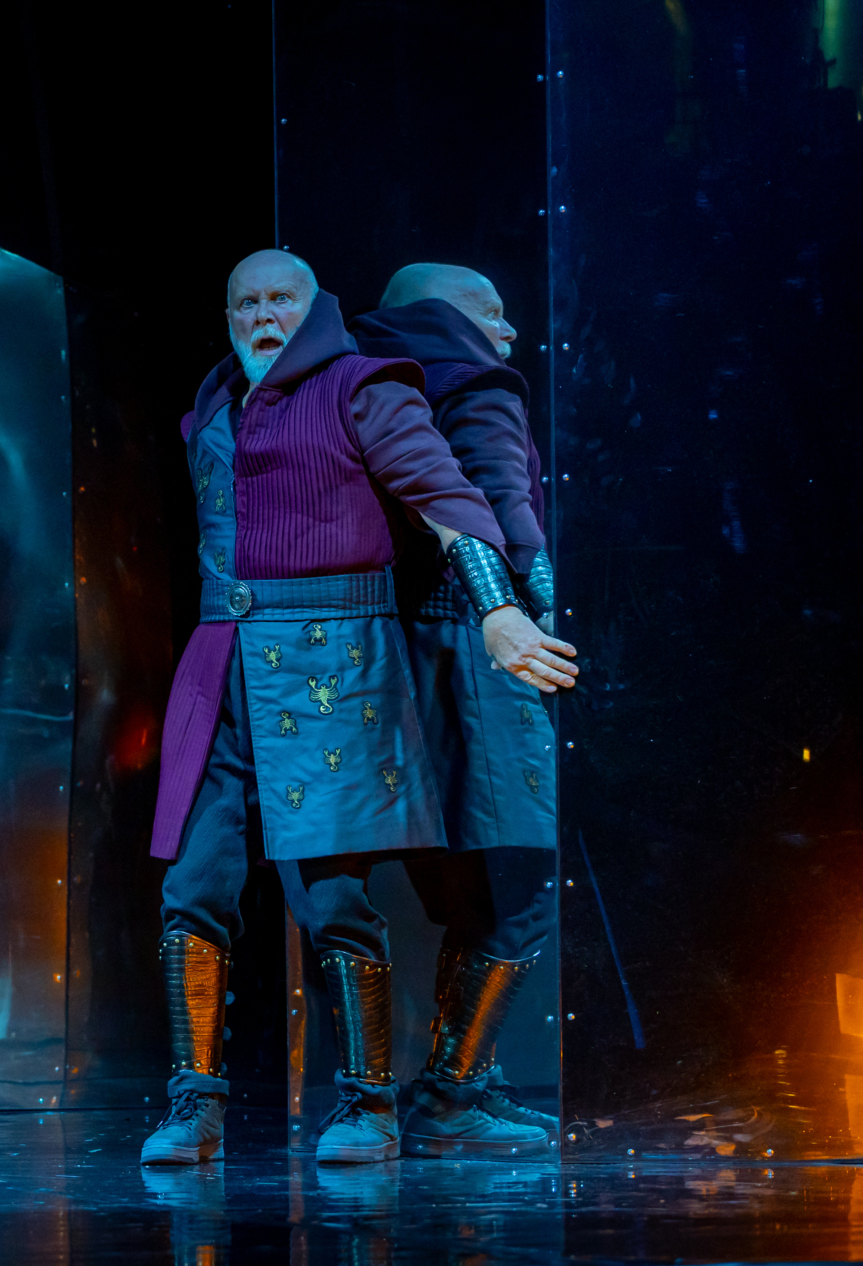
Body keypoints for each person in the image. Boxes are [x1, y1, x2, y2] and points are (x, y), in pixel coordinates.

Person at [139, 251, 577, 1168]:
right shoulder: (214, 402)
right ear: (227, 315)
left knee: (333, 892)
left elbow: (449, 496)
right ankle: (194, 1107)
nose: (264, 317)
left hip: (329, 665)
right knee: (193, 886)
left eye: (282, 300)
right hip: (221, 663)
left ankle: (369, 1105)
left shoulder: (364, 384)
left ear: (316, 308)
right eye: (247, 302)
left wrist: (501, 610)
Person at [348, 264, 567, 1157]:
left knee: (460, 887)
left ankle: (461, 1085)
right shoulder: (474, 381)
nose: (509, 334)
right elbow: (503, 505)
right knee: (520, 880)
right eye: (494, 312)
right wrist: (540, 607)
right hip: (471, 658)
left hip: (382, 664)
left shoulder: (354, 385)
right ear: (441, 315)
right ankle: (450, 1098)